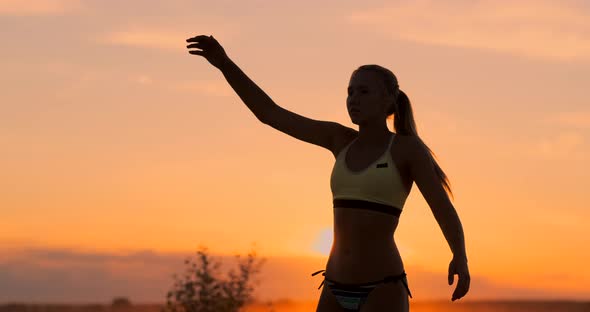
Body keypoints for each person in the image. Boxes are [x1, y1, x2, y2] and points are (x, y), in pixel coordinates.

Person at [186, 34, 470, 312]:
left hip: (382, 288)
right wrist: (224, 63)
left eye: (363, 91)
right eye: (349, 91)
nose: (353, 99)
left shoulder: (405, 149)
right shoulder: (339, 139)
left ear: (388, 101)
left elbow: (442, 208)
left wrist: (459, 255)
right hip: (333, 287)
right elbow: (269, 113)